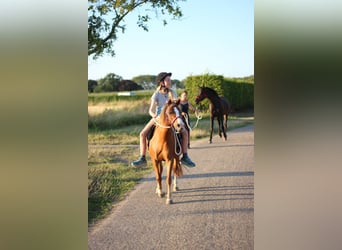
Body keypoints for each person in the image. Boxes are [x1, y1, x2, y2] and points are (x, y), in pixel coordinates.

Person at [131, 72, 196, 168]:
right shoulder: (156, 94)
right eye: (168, 80)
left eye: (170, 80)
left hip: (172, 118)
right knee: (142, 134)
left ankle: (185, 156)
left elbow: (176, 105)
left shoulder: (173, 92)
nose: (170, 82)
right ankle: (142, 158)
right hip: (159, 118)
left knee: (185, 132)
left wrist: (179, 111)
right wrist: (155, 116)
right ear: (161, 82)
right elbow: (151, 110)